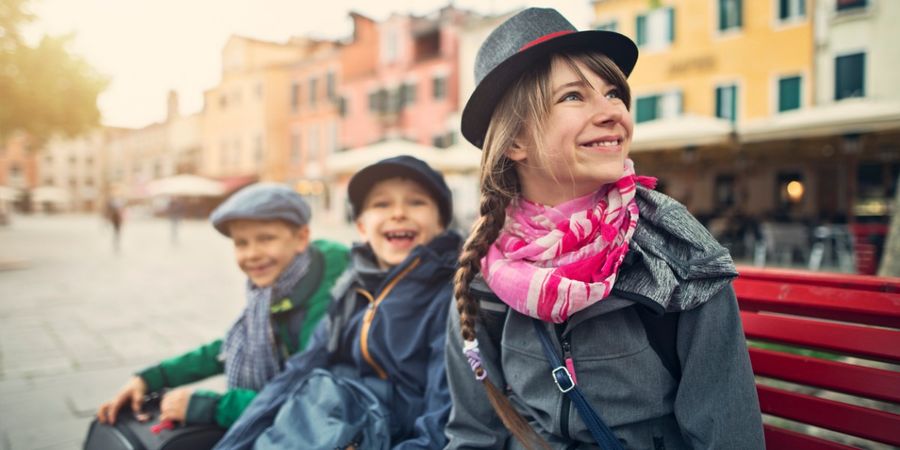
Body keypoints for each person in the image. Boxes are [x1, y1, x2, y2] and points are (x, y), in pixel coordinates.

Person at [445, 8, 764, 450]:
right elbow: (474, 435)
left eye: (614, 93)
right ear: (515, 141)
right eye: (574, 97)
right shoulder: (482, 269)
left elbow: (728, 437)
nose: (612, 112)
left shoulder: (673, 252)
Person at [213, 155, 461, 449]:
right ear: (361, 226)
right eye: (381, 204)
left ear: (442, 223)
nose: (398, 213)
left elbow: (442, 425)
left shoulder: (450, 299)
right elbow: (296, 373)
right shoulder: (350, 288)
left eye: (416, 202)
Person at [96, 183, 349, 431]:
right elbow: (231, 348)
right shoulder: (275, 288)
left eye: (266, 238)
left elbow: (311, 403)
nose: (252, 253)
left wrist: (212, 407)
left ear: (301, 238)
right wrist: (150, 378)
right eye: (241, 243)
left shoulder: (330, 298)